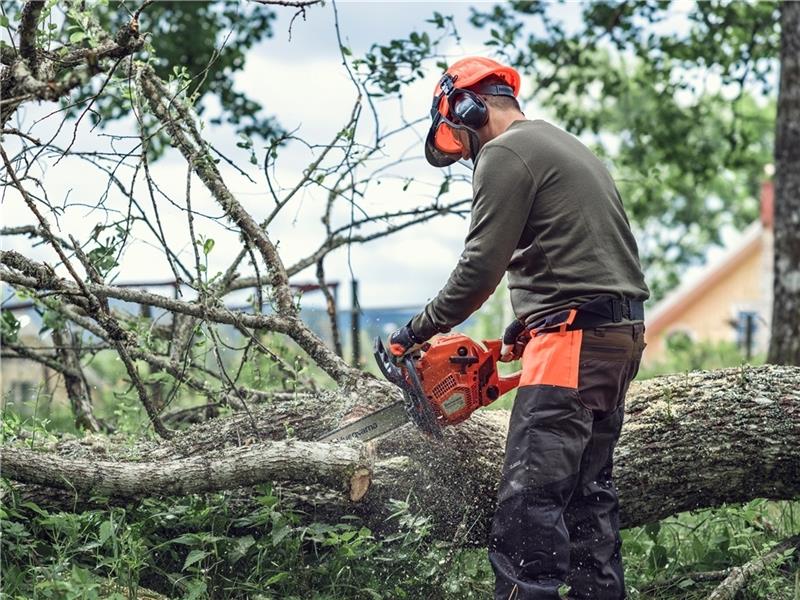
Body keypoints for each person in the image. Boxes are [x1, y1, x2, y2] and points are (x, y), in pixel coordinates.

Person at [387, 56, 649, 600]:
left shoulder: (505, 153)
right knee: (587, 505)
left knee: (528, 512)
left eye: (460, 135)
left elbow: (480, 267)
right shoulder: (563, 145)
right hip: (616, 337)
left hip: (573, 344)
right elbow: (579, 256)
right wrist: (526, 323)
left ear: (467, 107)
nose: (467, 151)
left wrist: (415, 331)